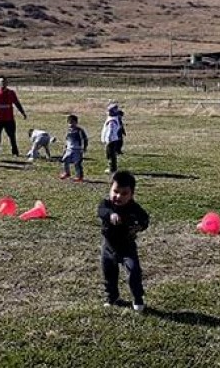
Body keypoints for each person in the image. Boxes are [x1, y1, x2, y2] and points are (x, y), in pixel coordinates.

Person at [98, 170, 150, 311]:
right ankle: (112, 297)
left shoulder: (134, 208)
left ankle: (138, 298)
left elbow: (145, 219)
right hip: (108, 246)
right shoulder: (106, 205)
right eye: (115, 191)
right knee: (109, 272)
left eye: (124, 193)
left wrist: (139, 226)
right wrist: (111, 214)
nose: (118, 196)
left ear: (132, 194)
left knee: (133, 271)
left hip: (127, 246)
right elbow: (101, 211)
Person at [0, 76, 27, 157]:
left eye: (4, 82)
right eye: (1, 82)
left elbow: (17, 103)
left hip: (9, 119)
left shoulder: (11, 93)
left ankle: (15, 152)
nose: (2, 83)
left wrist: (23, 113)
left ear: (7, 83)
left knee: (12, 136)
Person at [59, 114, 88, 183]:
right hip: (69, 149)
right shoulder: (69, 131)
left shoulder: (79, 131)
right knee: (65, 160)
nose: (71, 124)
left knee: (77, 163)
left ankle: (79, 176)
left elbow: (85, 139)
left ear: (76, 122)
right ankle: (67, 173)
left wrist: (84, 147)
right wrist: (65, 147)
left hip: (77, 149)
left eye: (72, 122)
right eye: (69, 122)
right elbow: (67, 140)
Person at [101, 104, 123, 174]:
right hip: (112, 139)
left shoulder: (112, 121)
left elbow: (111, 131)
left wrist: (108, 139)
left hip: (111, 140)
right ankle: (113, 167)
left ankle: (112, 168)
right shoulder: (114, 118)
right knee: (111, 154)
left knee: (110, 154)